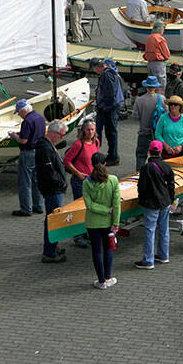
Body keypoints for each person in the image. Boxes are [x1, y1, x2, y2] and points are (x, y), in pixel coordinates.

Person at [134, 140, 176, 270]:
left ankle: (148, 260)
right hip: (165, 202)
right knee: (164, 229)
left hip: (151, 203)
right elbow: (171, 184)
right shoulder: (166, 166)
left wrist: (141, 199)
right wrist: (171, 199)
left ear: (149, 152)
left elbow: (142, 187)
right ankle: (164, 255)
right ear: (161, 151)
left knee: (150, 231)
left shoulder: (146, 168)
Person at [82, 152, 121, 289]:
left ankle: (101, 281)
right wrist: (115, 222)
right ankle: (108, 277)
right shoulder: (113, 180)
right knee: (108, 249)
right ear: (105, 163)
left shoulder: (87, 182)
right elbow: (116, 204)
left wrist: (103, 210)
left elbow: (89, 205)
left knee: (96, 251)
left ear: (91, 164)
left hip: (92, 223)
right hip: (108, 223)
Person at [63, 119, 100, 247]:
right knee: (79, 208)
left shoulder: (96, 142)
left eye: (92, 129)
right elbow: (66, 160)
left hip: (92, 180)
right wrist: (77, 173)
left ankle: (86, 232)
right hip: (80, 180)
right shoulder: (79, 144)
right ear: (83, 130)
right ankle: (77, 235)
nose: (90, 132)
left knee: (90, 208)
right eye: (88, 129)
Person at [37, 119, 70, 263]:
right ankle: (49, 252)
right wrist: (61, 183)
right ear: (52, 133)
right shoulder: (45, 148)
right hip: (53, 189)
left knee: (53, 219)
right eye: (61, 135)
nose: (62, 138)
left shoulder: (48, 145)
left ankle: (53, 246)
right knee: (53, 220)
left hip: (54, 188)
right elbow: (49, 172)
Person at [9, 99, 46, 216]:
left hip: (28, 153)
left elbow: (23, 140)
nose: (19, 115)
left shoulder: (27, 121)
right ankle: (39, 206)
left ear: (23, 111)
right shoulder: (40, 118)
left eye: (18, 113)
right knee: (36, 180)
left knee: (25, 182)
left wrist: (14, 136)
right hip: (39, 151)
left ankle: (26, 209)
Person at [92, 58, 124, 166]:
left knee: (110, 132)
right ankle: (111, 155)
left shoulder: (106, 75)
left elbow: (110, 94)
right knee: (110, 132)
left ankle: (113, 156)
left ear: (97, 67)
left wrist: (104, 106)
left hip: (109, 108)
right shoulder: (111, 72)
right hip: (111, 107)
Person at [131, 76, 165, 169]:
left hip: (143, 132)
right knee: (158, 155)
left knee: (141, 155)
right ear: (155, 87)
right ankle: (157, 172)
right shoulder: (161, 99)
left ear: (146, 87)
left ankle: (139, 174)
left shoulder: (139, 100)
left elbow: (135, 117)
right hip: (157, 133)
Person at [143, 22, 171, 87]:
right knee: (160, 83)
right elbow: (167, 54)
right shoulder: (160, 38)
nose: (164, 30)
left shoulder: (149, 38)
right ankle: (160, 96)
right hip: (158, 64)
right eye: (163, 28)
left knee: (151, 84)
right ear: (160, 28)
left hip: (150, 64)